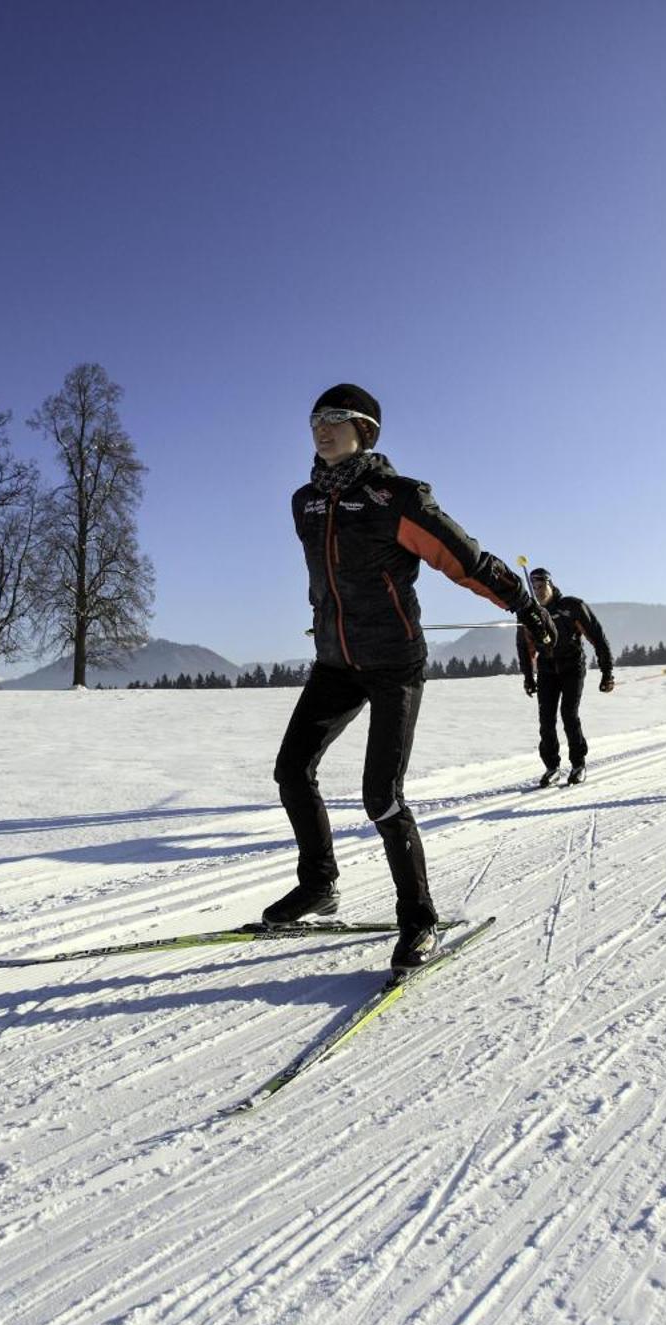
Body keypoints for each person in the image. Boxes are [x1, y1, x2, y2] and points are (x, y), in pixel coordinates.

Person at [262, 383, 554, 972]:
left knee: (381, 795)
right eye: (316, 418)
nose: (322, 428)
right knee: (291, 769)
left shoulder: (396, 497)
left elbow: (463, 560)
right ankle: (319, 884)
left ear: (365, 430)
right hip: (336, 662)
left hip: (394, 663)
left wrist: (523, 605)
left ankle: (418, 918)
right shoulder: (305, 502)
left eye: (337, 418)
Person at [518, 568, 614, 786]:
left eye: (541, 586)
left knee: (569, 714)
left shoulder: (572, 607)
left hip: (572, 666)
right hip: (547, 669)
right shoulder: (530, 613)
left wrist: (607, 672)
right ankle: (552, 767)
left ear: (551, 585)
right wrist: (528, 677)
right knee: (546, 720)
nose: (538, 591)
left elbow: (597, 638)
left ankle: (578, 763)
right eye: (534, 588)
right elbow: (525, 648)